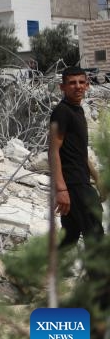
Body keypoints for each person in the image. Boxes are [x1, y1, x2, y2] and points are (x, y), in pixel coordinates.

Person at [49, 67, 104, 250]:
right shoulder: (62, 112)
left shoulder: (77, 111)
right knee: (95, 235)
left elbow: (79, 151)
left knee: (70, 236)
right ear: (62, 87)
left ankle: (44, 274)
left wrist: (96, 178)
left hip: (79, 181)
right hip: (74, 184)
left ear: (87, 85)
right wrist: (61, 189)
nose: (77, 86)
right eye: (72, 83)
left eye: (81, 82)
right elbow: (53, 150)